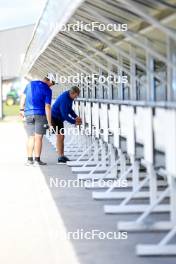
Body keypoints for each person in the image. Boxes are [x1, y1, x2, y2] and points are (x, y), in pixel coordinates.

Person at [20, 77, 55, 166]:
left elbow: (23, 97)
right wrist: (50, 123)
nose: (52, 86)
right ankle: (37, 160)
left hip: (28, 114)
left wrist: (21, 109)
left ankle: (29, 160)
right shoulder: (47, 90)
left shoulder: (30, 84)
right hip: (40, 114)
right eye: (52, 83)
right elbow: (47, 107)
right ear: (49, 80)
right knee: (38, 138)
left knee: (31, 137)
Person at [51, 86, 82, 164]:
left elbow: (70, 110)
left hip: (59, 118)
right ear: (72, 93)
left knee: (62, 137)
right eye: (75, 95)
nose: (76, 97)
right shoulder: (64, 99)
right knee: (60, 137)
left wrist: (76, 116)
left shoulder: (70, 97)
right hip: (54, 118)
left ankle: (62, 156)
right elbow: (64, 115)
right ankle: (60, 157)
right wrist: (74, 122)